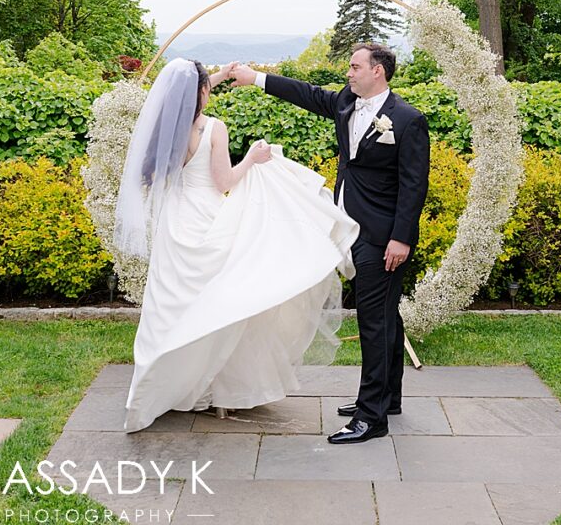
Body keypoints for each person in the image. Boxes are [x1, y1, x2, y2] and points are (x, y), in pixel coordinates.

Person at [114, 57, 359, 433]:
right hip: (210, 221)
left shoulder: (164, 126)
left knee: (178, 307)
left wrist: (216, 76)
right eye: (207, 86)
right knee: (223, 307)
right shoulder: (214, 127)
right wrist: (253, 159)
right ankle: (218, 390)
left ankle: (170, 387)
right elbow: (224, 182)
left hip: (175, 225)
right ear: (201, 92)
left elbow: (181, 95)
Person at [230, 43, 429, 444]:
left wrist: (400, 239)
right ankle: (387, 397)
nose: (349, 73)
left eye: (355, 67)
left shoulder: (407, 120)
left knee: (374, 322)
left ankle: (371, 418)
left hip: (384, 237)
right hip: (350, 227)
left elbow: (413, 185)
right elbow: (307, 93)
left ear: (378, 71)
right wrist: (256, 79)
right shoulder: (344, 103)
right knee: (386, 314)